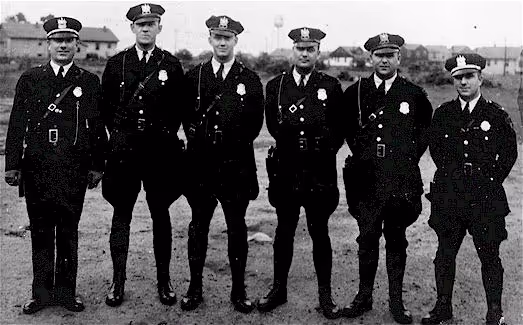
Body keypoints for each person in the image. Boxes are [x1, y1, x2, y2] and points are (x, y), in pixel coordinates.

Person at [4, 17, 106, 314]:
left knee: (68, 232)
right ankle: (40, 293)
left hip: (72, 168)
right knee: (40, 231)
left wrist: (98, 164)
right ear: (47, 44)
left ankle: (66, 292)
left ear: (77, 45)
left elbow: (96, 127)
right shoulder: (31, 79)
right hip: (37, 168)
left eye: (68, 40)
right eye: (57, 40)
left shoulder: (87, 81)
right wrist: (13, 165)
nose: (63, 45)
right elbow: (17, 125)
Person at [341, 33, 433, 324]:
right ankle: (363, 297)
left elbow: (424, 133)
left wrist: (405, 159)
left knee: (396, 239)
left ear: (399, 58)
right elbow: (348, 130)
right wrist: (367, 156)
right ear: (370, 58)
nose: (384, 60)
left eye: (390, 55)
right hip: (367, 181)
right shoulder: (356, 92)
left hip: (399, 180)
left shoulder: (413, 94)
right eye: (378, 55)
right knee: (367, 239)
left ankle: (396, 302)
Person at [100, 3, 186, 307]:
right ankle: (117, 281)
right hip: (125, 153)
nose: (146, 29)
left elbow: (179, 108)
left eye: (152, 24)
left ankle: (164, 281)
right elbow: (105, 107)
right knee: (121, 214)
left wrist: (161, 135)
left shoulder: (171, 64)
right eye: (140, 24)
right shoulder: (117, 64)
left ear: (159, 28)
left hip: (158, 152)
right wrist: (121, 136)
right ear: (133, 29)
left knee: (160, 214)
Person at [421, 53, 517, 325]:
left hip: (484, 196)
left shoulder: (496, 115)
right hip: (450, 195)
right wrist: (453, 176)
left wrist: (490, 180)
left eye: (469, 76)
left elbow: (509, 153)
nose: (463, 82)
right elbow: (436, 149)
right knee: (444, 253)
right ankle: (443, 306)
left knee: (489, 255)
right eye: (458, 78)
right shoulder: (443, 114)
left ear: (480, 78)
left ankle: (494, 311)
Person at [257, 27, 344, 319]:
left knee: (320, 233)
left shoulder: (330, 86)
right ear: (292, 51)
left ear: (318, 52)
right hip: (288, 170)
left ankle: (325, 295)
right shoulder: (276, 86)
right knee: (284, 231)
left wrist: (320, 149)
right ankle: (278, 289)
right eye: (300, 49)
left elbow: (338, 130)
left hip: (319, 172)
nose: (305, 54)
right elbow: (273, 125)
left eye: (310, 49)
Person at [180, 15, 264, 314]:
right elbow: (185, 117)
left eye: (228, 37)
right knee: (198, 226)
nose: (222, 42)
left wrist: (228, 144)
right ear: (210, 39)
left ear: (235, 41)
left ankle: (239, 290)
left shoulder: (249, 79)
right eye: (217, 36)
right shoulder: (195, 77)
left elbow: (255, 123)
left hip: (235, 164)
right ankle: (194, 288)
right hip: (200, 165)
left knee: (237, 227)